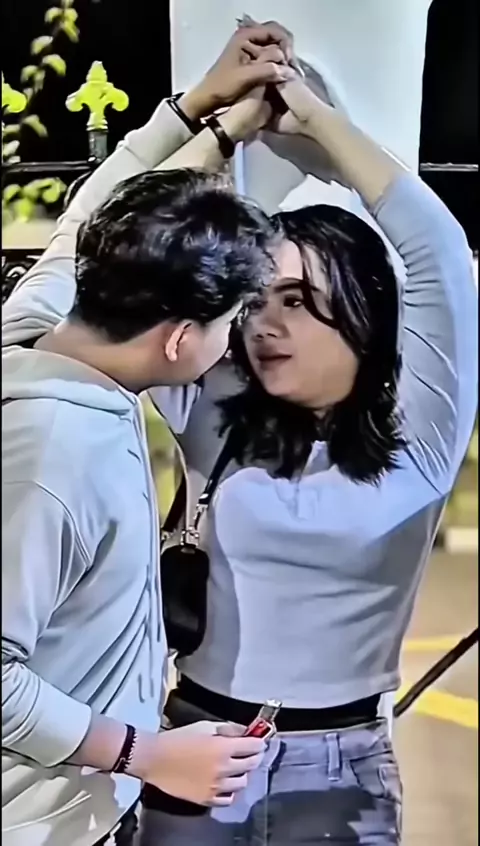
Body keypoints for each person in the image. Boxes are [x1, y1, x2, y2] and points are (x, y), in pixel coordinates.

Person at [135, 22, 479, 846]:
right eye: (255, 302)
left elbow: (436, 248)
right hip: (194, 747)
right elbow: (142, 251)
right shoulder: (218, 409)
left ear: (362, 310)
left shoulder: (422, 433)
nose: (265, 325)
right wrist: (223, 124)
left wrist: (317, 120)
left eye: (295, 300)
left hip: (343, 773)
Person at [1, 24, 297, 846]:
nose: (233, 344)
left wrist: (204, 111)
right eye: (229, 324)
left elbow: (92, 210)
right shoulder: (54, 455)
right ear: (179, 340)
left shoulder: (42, 324)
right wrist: (147, 754)